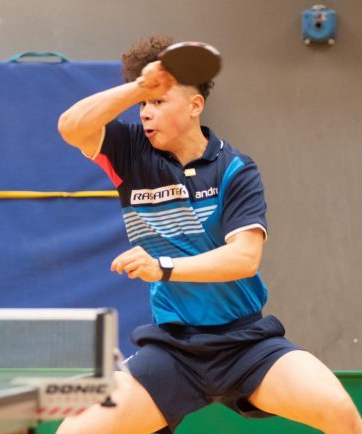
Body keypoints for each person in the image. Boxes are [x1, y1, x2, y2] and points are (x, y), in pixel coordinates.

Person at [56, 34, 362, 434]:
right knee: (74, 431)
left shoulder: (234, 169)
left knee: (343, 415)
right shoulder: (129, 153)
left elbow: (244, 258)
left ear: (195, 105)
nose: (146, 113)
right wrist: (140, 87)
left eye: (158, 102)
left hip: (246, 344)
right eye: (143, 104)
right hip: (174, 350)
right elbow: (71, 127)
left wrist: (162, 267)